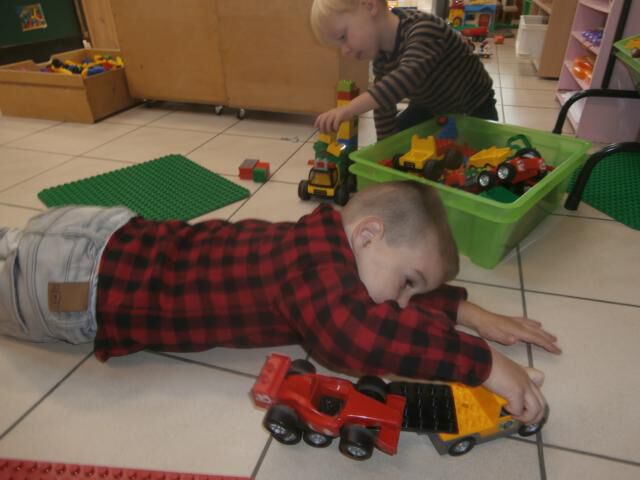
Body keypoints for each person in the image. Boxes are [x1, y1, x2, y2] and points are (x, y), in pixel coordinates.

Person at [0, 181, 559, 424]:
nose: (404, 301)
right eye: (409, 282)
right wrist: (484, 364)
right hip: (80, 288)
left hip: (105, 236)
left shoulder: (320, 240)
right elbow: (357, 334)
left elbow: (381, 305)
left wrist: (468, 313)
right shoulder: (317, 276)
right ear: (367, 235)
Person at [310, 0, 498, 140]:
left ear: (369, 5)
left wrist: (349, 109)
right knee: (396, 141)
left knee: (477, 157)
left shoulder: (424, 28)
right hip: (429, 107)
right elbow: (384, 106)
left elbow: (406, 77)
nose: (344, 51)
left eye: (343, 37)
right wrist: (384, 149)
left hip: (474, 108)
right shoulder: (382, 58)